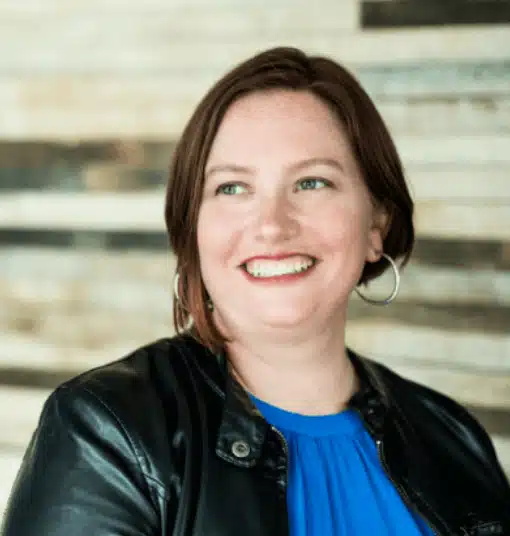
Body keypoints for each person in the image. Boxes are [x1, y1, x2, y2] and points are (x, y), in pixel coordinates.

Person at [2, 46, 509, 536]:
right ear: (194, 231)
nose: (271, 226)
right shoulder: (108, 432)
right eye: (232, 188)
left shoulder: (449, 434)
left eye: (311, 183)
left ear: (376, 223)